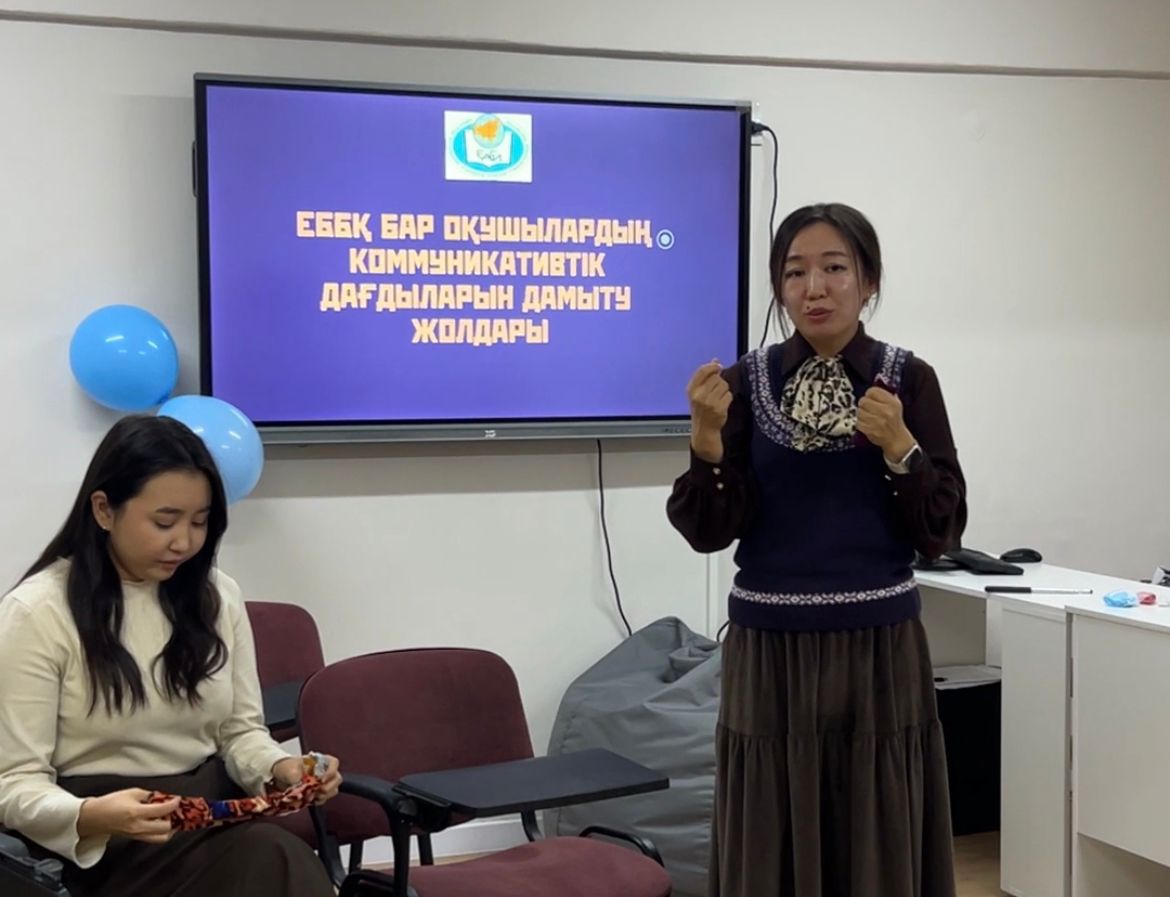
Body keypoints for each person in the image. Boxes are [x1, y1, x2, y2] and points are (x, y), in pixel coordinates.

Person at [668, 203, 967, 897]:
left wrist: (902, 448)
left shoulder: (909, 379)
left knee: (875, 821)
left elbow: (942, 530)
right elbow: (708, 530)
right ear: (779, 287)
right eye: (795, 272)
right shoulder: (741, 383)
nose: (815, 288)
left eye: (835, 268)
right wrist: (706, 443)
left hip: (879, 649)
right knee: (771, 823)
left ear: (869, 281)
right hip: (769, 652)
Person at [0, 414, 341, 897]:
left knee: (273, 856)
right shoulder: (38, 612)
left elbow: (239, 733)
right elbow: (13, 782)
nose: (184, 542)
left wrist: (278, 770)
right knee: (273, 860)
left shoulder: (216, 597)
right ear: (104, 510)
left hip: (203, 822)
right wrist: (90, 816)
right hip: (97, 846)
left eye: (200, 522)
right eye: (164, 522)